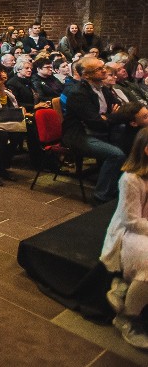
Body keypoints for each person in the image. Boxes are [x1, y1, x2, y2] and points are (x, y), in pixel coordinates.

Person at [100, 127, 148, 350]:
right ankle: (127, 318)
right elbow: (132, 222)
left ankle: (123, 285)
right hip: (128, 234)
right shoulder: (130, 180)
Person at [62, 57, 127, 204]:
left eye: (103, 66)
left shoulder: (103, 88)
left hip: (101, 130)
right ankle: (101, 195)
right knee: (116, 155)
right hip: (79, 135)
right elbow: (96, 123)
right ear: (86, 75)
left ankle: (118, 185)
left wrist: (108, 117)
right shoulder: (78, 93)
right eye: (99, 69)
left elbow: (120, 109)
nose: (104, 70)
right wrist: (112, 116)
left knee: (132, 138)